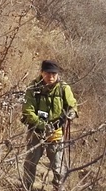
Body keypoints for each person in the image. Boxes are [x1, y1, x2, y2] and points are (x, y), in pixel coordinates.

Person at [22, 60, 78, 191]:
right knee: (30, 164)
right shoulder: (33, 88)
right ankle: (26, 187)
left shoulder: (64, 88)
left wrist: (71, 114)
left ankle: (59, 187)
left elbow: (73, 105)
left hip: (56, 132)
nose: (51, 77)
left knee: (58, 166)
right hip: (35, 132)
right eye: (47, 73)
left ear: (57, 74)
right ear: (42, 72)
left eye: (54, 74)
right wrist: (41, 125)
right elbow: (27, 111)